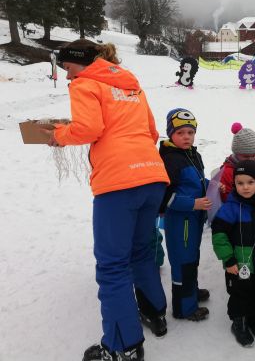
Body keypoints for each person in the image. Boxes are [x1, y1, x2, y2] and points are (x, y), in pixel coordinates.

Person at [45, 39, 169, 361]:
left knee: (112, 266)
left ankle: (123, 345)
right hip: (153, 175)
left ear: (82, 64)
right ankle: (155, 312)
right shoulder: (132, 87)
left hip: (118, 183)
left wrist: (58, 135)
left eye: (69, 69)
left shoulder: (86, 84)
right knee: (142, 251)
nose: (69, 77)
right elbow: (153, 132)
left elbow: (88, 127)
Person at [211, 160, 255, 347]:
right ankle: (239, 323)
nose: (245, 187)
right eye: (240, 183)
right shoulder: (230, 208)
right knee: (240, 294)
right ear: (234, 184)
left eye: (250, 182)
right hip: (239, 264)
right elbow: (219, 236)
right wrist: (228, 259)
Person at [158, 108, 211, 322]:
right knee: (183, 262)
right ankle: (184, 308)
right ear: (170, 134)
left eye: (190, 132)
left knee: (193, 258)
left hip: (194, 218)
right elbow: (165, 197)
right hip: (181, 221)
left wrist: (213, 187)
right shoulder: (169, 160)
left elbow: (196, 182)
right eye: (180, 133)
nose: (186, 137)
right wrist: (193, 203)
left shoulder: (192, 154)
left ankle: (191, 291)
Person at [219, 123, 255, 202]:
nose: (250, 160)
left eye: (253, 156)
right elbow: (225, 197)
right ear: (236, 153)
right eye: (246, 156)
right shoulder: (227, 173)